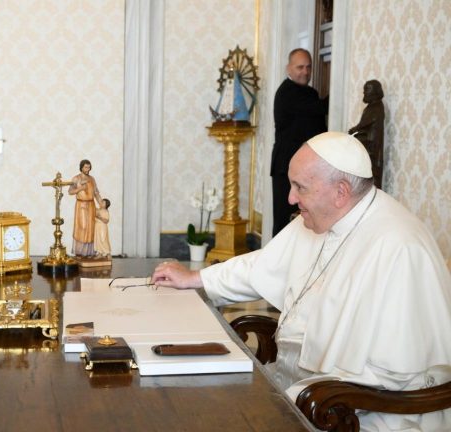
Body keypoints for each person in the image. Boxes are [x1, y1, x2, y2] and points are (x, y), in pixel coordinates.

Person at [152, 131, 451, 430]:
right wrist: (196, 277)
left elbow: (391, 375)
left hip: (364, 413)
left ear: (341, 192)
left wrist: (300, 397)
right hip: (300, 388)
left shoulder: (399, 247)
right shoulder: (324, 214)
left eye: (300, 187)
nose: (291, 198)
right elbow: (262, 265)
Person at [271, 48, 328, 236]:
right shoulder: (287, 92)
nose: (305, 71)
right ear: (288, 68)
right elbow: (320, 108)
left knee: (303, 224)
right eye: (300, 67)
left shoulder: (308, 92)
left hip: (304, 167)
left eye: (308, 67)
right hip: (286, 168)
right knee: (284, 223)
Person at [349, 80, 385, 189]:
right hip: (367, 139)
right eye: (364, 90)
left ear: (375, 92)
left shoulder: (377, 107)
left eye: (367, 90)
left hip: (371, 143)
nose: (364, 93)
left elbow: (366, 123)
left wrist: (355, 129)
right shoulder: (370, 107)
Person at [68, 159, 103, 256]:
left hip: (91, 205)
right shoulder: (76, 178)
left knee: (90, 227)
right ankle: (80, 251)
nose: (88, 169)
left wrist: (101, 203)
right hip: (81, 205)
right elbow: (70, 191)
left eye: (89, 167)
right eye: (86, 167)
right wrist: (80, 188)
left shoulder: (92, 179)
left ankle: (89, 252)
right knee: (82, 227)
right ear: (81, 167)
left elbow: (96, 192)